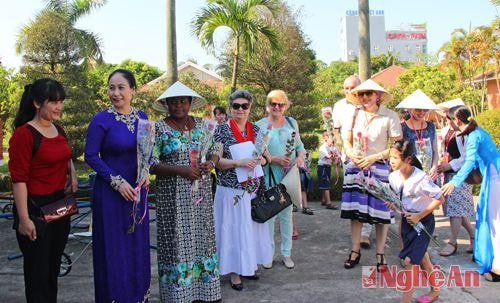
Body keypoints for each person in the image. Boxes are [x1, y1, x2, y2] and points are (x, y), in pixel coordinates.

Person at [150, 81, 222, 302]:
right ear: (166, 104)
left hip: (200, 196)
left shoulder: (203, 125)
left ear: (190, 103)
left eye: (183, 101)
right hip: (173, 198)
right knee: (176, 242)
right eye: (173, 102)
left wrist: (210, 163)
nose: (178, 105)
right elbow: (151, 163)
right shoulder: (159, 128)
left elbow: (214, 151)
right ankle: (179, 294)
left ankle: (205, 291)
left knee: (203, 238)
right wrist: (179, 170)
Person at [84, 69, 151, 302]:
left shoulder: (142, 117)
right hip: (110, 195)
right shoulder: (101, 119)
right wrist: (116, 181)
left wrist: (146, 171)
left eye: (121, 87)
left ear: (133, 90)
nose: (116, 93)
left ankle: (136, 296)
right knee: (113, 249)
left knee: (136, 247)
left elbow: (147, 151)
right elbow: (91, 156)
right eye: (112, 88)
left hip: (136, 193)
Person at [9, 78, 76, 303]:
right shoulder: (24, 134)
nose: (58, 107)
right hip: (34, 208)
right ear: (37, 103)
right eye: (53, 102)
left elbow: (65, 154)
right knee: (37, 273)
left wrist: (72, 173)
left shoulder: (59, 129)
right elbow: (19, 180)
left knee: (52, 271)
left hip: (59, 207)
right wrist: (24, 219)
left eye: (61, 101)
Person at [340, 79, 402, 270]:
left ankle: (380, 254)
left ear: (379, 96)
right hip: (356, 167)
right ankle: (355, 251)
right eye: (361, 94)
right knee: (355, 214)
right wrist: (351, 153)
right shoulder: (353, 114)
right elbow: (346, 139)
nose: (365, 97)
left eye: (369, 93)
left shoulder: (389, 116)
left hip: (379, 168)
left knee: (381, 214)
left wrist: (374, 157)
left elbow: (396, 146)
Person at [213, 89, 272, 291]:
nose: (240, 109)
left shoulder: (256, 130)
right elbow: (217, 161)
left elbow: (268, 157)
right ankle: (234, 272)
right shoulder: (221, 130)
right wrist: (239, 162)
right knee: (233, 230)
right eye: (236, 106)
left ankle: (249, 266)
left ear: (249, 108)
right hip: (230, 189)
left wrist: (260, 160)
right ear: (230, 108)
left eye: (244, 106)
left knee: (251, 229)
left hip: (253, 189)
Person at [442, 106, 500, 283]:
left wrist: (455, 182)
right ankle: (489, 258)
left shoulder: (474, 136)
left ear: (457, 120)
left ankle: (497, 268)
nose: (448, 123)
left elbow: (469, 162)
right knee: (488, 218)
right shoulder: (475, 132)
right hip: (492, 176)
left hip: (495, 178)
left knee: (494, 221)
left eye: (449, 119)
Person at [388, 139, 444, 303]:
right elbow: (397, 197)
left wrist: (420, 215)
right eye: (390, 157)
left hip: (423, 222)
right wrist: (392, 203)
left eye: (395, 158)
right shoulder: (393, 177)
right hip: (407, 222)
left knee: (410, 262)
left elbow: (440, 199)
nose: (391, 161)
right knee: (422, 257)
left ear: (408, 160)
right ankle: (435, 290)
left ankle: (406, 300)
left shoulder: (421, 179)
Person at [256, 89, 306, 270]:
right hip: (269, 176)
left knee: (286, 216)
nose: (276, 107)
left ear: (286, 106)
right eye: (272, 104)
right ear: (267, 105)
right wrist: (273, 159)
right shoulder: (260, 125)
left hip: (288, 176)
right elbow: (256, 150)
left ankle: (286, 253)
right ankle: (267, 254)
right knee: (269, 216)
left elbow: (300, 147)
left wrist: (300, 158)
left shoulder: (292, 123)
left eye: (280, 104)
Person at [332, 75, 372, 249]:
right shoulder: (339, 106)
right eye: (346, 88)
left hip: (368, 156)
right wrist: (338, 149)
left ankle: (365, 233)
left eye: (352, 87)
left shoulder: (369, 104)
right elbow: (335, 129)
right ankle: (356, 230)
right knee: (354, 195)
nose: (349, 91)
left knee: (369, 192)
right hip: (349, 156)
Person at [436, 100, 475, 257]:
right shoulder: (447, 131)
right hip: (449, 172)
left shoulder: (468, 134)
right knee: (455, 209)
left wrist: (450, 165)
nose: (447, 118)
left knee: (456, 211)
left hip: (461, 175)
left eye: (449, 115)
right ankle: (474, 237)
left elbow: (467, 157)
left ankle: (452, 242)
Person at [396, 89, 440, 179]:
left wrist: (435, 167)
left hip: (429, 173)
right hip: (410, 172)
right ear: (411, 109)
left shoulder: (431, 126)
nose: (422, 113)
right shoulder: (402, 127)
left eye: (425, 110)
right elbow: (399, 151)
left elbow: (435, 150)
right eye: (418, 110)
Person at [317, 131, 339, 210]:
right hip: (322, 167)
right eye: (330, 139)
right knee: (326, 184)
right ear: (326, 139)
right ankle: (328, 203)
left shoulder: (332, 147)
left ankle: (323, 200)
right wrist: (334, 155)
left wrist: (337, 158)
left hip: (327, 167)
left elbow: (337, 155)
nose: (332, 141)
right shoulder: (323, 147)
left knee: (326, 183)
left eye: (332, 139)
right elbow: (328, 156)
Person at [299, 150, 314, 215]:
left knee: (303, 188)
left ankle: (305, 206)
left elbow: (306, 161)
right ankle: (294, 205)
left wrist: (307, 168)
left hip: (303, 170)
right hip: (296, 168)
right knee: (295, 188)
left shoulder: (303, 150)